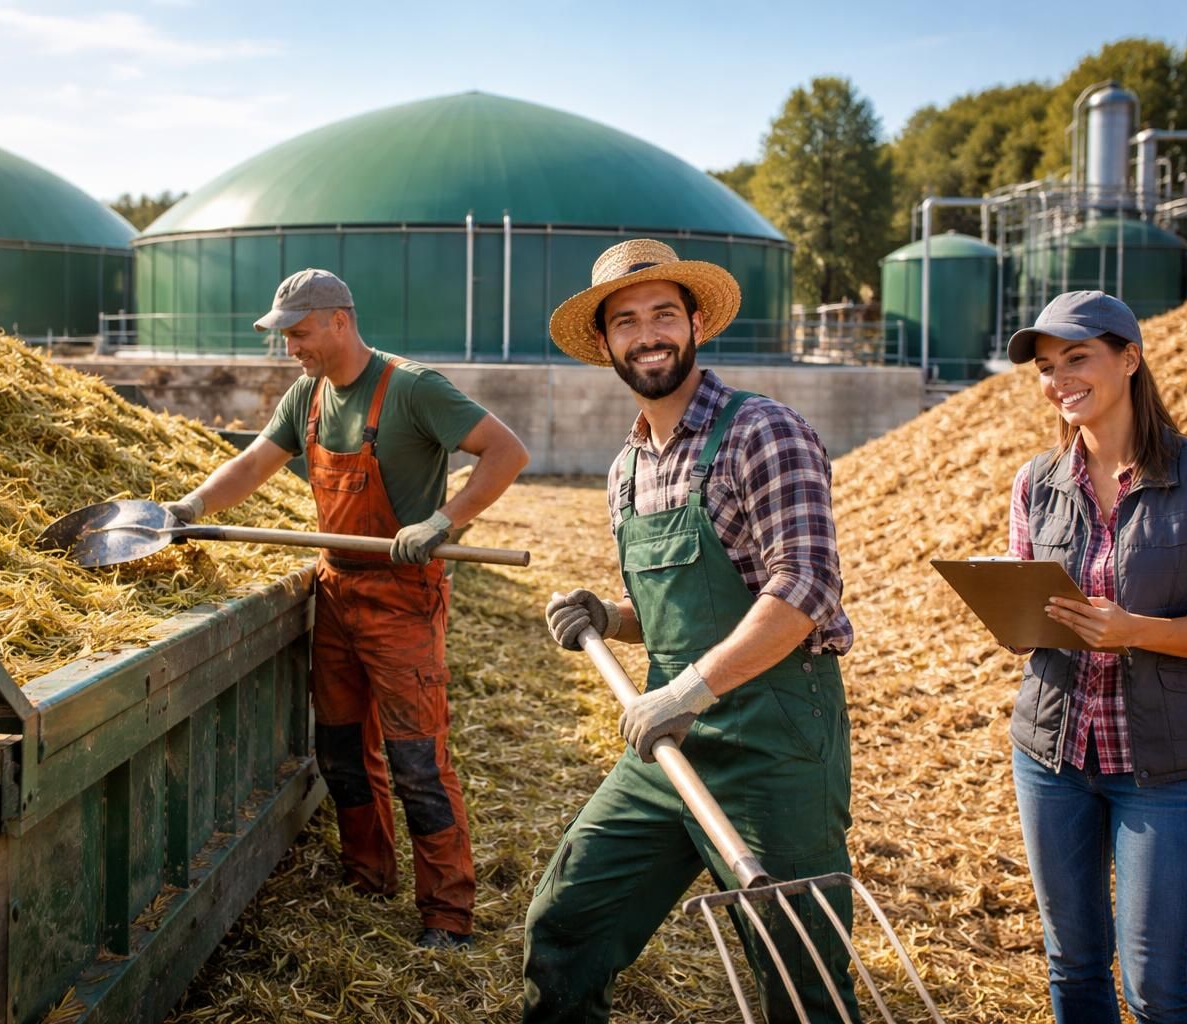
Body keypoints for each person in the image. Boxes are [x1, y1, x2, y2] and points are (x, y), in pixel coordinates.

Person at [521, 239, 859, 1023]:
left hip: (774, 744)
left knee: (799, 971)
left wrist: (689, 691)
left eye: (664, 315)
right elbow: (685, 611)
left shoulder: (762, 432)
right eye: (627, 322)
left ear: (697, 322)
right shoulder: (625, 470)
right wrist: (611, 617)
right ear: (604, 344)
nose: (648, 335)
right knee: (567, 921)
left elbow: (804, 587)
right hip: (669, 743)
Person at [163, 268, 528, 950]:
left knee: (418, 758)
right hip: (336, 589)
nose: (291, 348)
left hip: (402, 598)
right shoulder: (306, 396)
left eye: (299, 333)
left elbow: (506, 452)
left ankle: (448, 913)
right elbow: (252, 464)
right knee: (340, 751)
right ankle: (368, 877)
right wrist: (190, 508)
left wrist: (443, 522)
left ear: (338, 320)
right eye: (285, 336)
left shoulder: (412, 388)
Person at [1003, 290, 1187, 1022]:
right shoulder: (1036, 482)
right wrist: (1019, 618)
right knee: (1074, 968)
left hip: (1165, 768)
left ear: (1130, 358)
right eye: (1048, 367)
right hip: (1052, 757)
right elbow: (1030, 600)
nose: (1058, 380)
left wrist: (1134, 629)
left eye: (1077, 358)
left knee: (1156, 988)